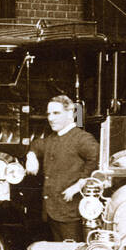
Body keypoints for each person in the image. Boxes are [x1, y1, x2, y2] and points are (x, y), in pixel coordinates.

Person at [25, 96, 99, 242]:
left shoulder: (82, 139)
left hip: (71, 213)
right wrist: (31, 156)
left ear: (71, 114)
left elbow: (96, 159)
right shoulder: (52, 138)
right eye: (49, 114)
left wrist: (79, 185)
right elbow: (36, 145)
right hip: (52, 211)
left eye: (56, 113)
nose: (51, 118)